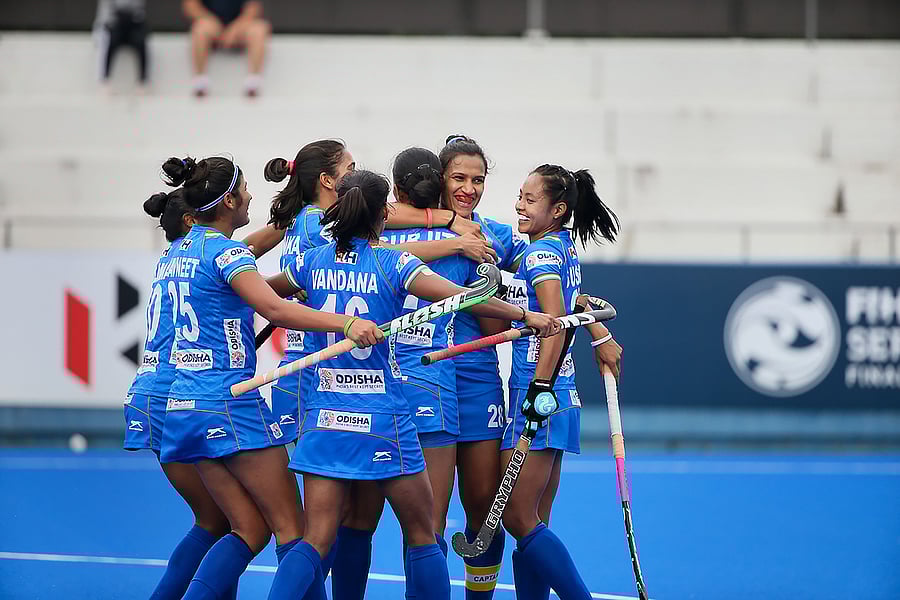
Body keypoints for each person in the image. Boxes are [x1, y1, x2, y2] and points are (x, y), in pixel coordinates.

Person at [263, 169, 559, 600]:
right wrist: (527, 316)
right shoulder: (395, 262)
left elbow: (265, 299)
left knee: (317, 539)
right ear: (385, 212)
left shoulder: (309, 261)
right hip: (384, 419)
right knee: (423, 534)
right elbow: (466, 298)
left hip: (325, 418)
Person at [153, 155, 382, 600]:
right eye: (244, 191)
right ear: (227, 203)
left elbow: (250, 291)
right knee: (293, 531)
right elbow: (273, 309)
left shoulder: (174, 252)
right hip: (228, 398)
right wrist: (344, 323)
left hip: (183, 402)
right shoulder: (228, 252)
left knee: (246, 528)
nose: (252, 197)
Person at [500, 164, 622, 600]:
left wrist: (537, 389)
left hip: (540, 392)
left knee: (516, 516)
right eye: (520, 195)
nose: (519, 205)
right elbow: (576, 306)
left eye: (530, 200)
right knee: (533, 519)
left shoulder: (541, 255)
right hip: (559, 394)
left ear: (558, 209)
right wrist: (600, 333)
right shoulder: (560, 245)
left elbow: (552, 323)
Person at [124, 188, 243, 599]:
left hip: (152, 392)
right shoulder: (210, 251)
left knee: (218, 521)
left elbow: (246, 250)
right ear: (194, 220)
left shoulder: (175, 255)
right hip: (178, 392)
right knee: (222, 523)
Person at [381, 148, 482, 598]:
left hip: (384, 391)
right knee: (428, 528)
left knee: (349, 525)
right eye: (458, 178)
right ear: (438, 180)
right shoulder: (462, 231)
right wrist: (451, 228)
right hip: (429, 387)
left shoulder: (366, 232)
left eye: (477, 181)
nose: (469, 189)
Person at [182, 0, 271, 96]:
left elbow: (253, 8)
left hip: (240, 27)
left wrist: (235, 28)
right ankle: (200, 81)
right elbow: (191, 6)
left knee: (259, 29)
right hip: (211, 25)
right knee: (200, 29)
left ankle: (253, 82)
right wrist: (211, 21)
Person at [94, 0, 148, 89]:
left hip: (132, 26)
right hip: (113, 26)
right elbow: (104, 16)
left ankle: (143, 80)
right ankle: (105, 78)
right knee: (109, 43)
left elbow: (139, 13)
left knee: (140, 42)